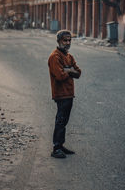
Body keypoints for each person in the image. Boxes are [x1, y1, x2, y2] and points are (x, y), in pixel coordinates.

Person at [48, 29, 81, 158]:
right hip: (60, 94)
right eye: (65, 40)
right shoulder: (55, 56)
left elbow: (78, 73)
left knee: (64, 121)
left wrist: (68, 70)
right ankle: (56, 148)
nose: (67, 43)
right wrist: (69, 70)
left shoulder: (69, 56)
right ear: (58, 41)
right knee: (60, 121)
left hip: (69, 93)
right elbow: (60, 76)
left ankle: (61, 145)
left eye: (69, 40)